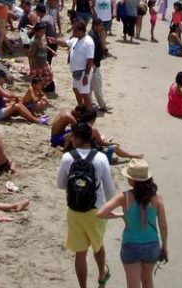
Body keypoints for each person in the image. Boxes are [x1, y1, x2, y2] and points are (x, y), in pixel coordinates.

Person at [56, 122, 116, 288]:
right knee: (98, 246)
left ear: (75, 138)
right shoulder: (101, 158)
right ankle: (102, 275)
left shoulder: (68, 157)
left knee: (80, 254)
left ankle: (83, 287)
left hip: (74, 210)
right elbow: (110, 190)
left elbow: (60, 184)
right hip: (96, 210)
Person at [97, 160, 168, 288]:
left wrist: (121, 215)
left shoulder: (124, 197)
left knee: (132, 285)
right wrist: (165, 247)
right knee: (147, 281)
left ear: (132, 180)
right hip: (151, 245)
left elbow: (100, 213)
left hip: (130, 245)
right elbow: (163, 226)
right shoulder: (157, 197)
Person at [67, 20, 95, 108]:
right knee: (75, 89)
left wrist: (86, 75)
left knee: (84, 93)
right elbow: (66, 43)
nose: (73, 32)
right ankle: (81, 107)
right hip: (76, 72)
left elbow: (90, 59)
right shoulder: (76, 40)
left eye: (75, 30)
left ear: (81, 31)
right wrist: (55, 40)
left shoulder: (88, 42)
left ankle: (89, 111)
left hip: (83, 72)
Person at [89, 19, 109, 113]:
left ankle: (89, 103)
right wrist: (92, 63)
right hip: (94, 66)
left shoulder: (95, 34)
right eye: (101, 26)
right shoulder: (92, 36)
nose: (102, 27)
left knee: (90, 86)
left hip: (93, 65)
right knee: (97, 86)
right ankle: (102, 105)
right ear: (95, 26)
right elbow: (89, 52)